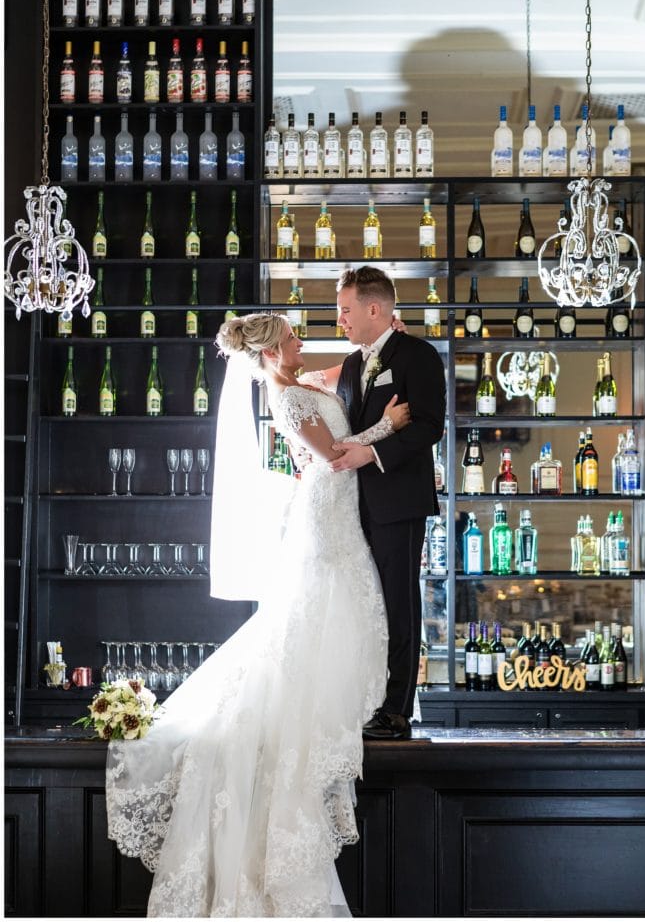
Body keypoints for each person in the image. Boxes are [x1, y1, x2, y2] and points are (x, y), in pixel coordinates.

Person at [105, 312, 410, 918]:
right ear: (272, 352)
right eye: (294, 336)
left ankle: (359, 700)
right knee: (319, 608)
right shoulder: (288, 398)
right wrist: (389, 425)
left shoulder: (299, 384)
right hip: (327, 510)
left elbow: (341, 375)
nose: (303, 341)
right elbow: (335, 456)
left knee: (343, 607)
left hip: (335, 512)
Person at [332, 267, 446, 739]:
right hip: (352, 505)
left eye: (344, 309)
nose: (340, 320)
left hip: (398, 501)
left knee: (399, 605)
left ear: (374, 308)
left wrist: (373, 451)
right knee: (367, 607)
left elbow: (428, 426)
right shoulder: (355, 364)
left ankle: (396, 709)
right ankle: (367, 699)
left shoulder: (417, 354)